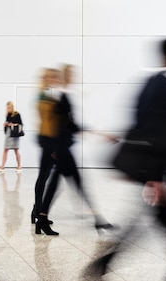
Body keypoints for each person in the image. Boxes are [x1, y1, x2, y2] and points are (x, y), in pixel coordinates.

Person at [86, 38, 166, 281]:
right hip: (162, 172)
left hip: (154, 170)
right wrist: (156, 177)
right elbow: (158, 133)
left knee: (160, 223)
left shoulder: (150, 84)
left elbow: (139, 125)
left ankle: (108, 261)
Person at [36, 65, 113, 231]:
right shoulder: (60, 98)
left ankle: (42, 217)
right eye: (71, 74)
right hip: (62, 148)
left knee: (61, 183)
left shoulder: (61, 96)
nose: (74, 77)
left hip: (63, 146)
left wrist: (97, 134)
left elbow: (69, 125)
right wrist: (100, 134)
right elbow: (62, 126)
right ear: (65, 77)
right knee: (73, 183)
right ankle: (97, 218)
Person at [31, 68, 61, 235]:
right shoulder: (43, 96)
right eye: (53, 77)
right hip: (48, 142)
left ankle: (37, 211)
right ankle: (39, 214)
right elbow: (47, 123)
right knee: (45, 178)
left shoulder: (45, 94)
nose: (55, 79)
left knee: (45, 177)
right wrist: (53, 147)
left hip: (47, 141)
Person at [0, 101, 23, 172]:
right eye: (7, 108)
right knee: (5, 149)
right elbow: (7, 123)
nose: (9, 109)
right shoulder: (7, 115)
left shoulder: (17, 114)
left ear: (12, 107)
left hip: (14, 134)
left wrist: (13, 124)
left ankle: (19, 166)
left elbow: (20, 124)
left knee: (16, 150)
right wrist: (5, 125)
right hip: (9, 134)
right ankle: (2, 166)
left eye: (10, 107)